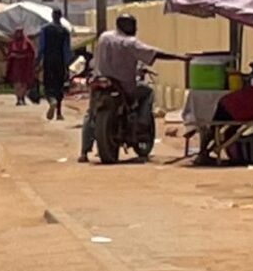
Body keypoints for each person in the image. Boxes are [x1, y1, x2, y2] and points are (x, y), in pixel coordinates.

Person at [80, 13, 188, 161]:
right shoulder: (130, 42)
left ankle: (84, 152)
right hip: (124, 85)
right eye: (133, 25)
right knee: (148, 92)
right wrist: (179, 57)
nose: (135, 29)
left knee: (90, 113)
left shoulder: (104, 37)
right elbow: (155, 53)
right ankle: (143, 123)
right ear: (127, 26)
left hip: (100, 82)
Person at [198, 55, 253, 162]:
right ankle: (207, 150)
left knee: (220, 126)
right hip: (242, 107)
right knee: (223, 127)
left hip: (237, 106)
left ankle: (206, 149)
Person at [38, 13, 75, 119]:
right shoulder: (65, 31)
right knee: (59, 86)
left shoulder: (45, 29)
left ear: (52, 16)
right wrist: (67, 64)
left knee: (48, 85)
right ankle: (59, 113)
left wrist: (37, 62)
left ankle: (51, 101)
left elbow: (42, 47)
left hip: (48, 61)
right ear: (60, 17)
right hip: (60, 62)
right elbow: (67, 50)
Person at [5, 25, 39, 104]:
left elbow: (32, 54)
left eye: (20, 32)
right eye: (17, 32)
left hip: (25, 66)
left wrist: (24, 56)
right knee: (17, 83)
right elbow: (9, 54)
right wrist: (13, 56)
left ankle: (22, 97)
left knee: (24, 83)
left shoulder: (27, 43)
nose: (18, 34)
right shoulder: (12, 43)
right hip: (16, 66)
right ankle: (18, 98)